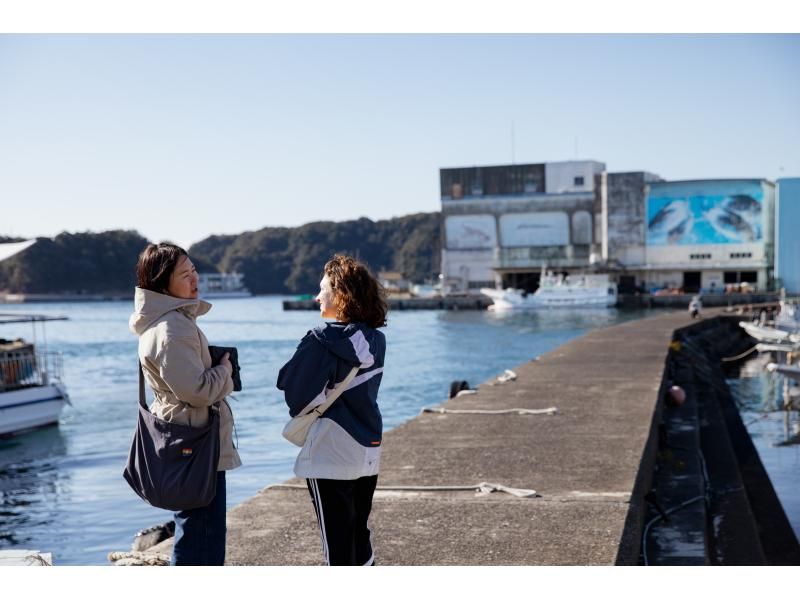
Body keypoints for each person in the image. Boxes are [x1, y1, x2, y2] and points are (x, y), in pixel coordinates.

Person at [129, 242, 240, 566]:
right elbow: (198, 391)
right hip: (195, 442)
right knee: (201, 538)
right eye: (185, 275)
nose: (195, 280)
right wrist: (225, 370)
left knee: (195, 530)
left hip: (186, 439)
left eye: (194, 271)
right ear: (163, 283)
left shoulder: (165, 321)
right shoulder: (172, 329)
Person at [277, 254, 387, 566]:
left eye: (322, 289)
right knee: (358, 534)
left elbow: (293, 392)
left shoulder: (320, 340)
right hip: (367, 446)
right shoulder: (376, 340)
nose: (317, 296)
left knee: (335, 542)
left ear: (340, 295)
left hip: (331, 448)